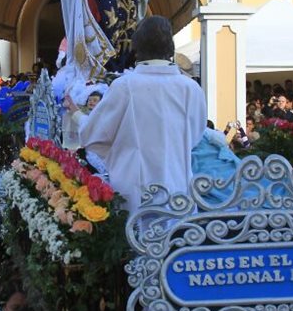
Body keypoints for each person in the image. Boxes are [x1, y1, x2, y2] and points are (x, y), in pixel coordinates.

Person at [81, 16, 207, 218]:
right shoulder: (191, 88)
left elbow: (92, 135)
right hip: (178, 189)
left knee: (135, 234)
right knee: (175, 235)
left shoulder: (124, 86)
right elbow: (194, 136)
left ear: (137, 48)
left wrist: (122, 155)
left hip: (133, 190)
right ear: (170, 47)